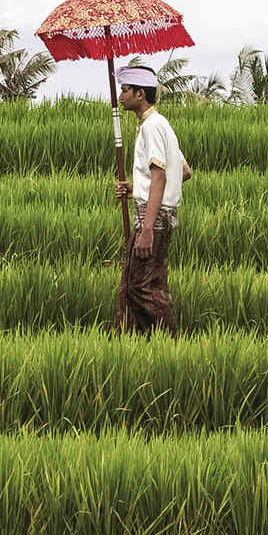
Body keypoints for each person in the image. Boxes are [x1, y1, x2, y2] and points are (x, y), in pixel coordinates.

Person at [112, 64, 192, 336]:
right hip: (156, 213)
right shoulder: (161, 125)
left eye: (124, 90)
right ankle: (134, 345)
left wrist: (146, 229)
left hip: (152, 219)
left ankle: (170, 343)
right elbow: (182, 171)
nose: (120, 96)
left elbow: (160, 175)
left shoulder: (151, 127)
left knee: (141, 287)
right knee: (135, 285)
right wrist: (137, 189)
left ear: (140, 94)